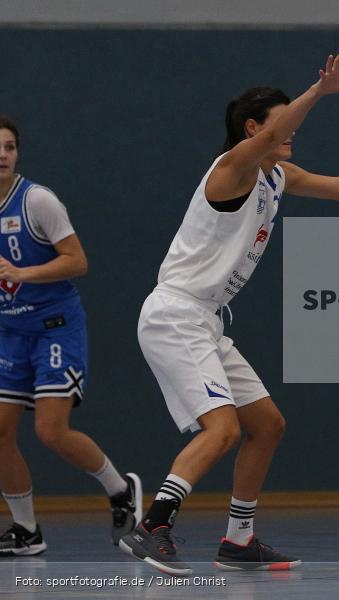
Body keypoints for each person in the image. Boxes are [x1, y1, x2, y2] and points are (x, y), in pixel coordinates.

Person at [118, 49, 339, 575]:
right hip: (175, 314)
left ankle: (238, 540)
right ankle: (153, 524)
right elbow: (267, 138)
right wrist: (318, 93)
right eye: (282, 122)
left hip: (207, 321)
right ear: (255, 128)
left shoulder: (276, 175)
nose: (293, 130)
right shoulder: (231, 169)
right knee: (223, 430)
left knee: (267, 425)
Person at [0, 115, 141, 556]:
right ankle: (26, 531)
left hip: (55, 328)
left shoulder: (37, 201)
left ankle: (120, 492)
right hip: (10, 332)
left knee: (50, 431)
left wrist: (24, 272)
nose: (2, 154)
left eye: (8, 146)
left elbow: (77, 262)